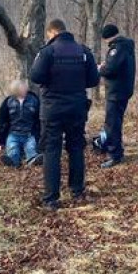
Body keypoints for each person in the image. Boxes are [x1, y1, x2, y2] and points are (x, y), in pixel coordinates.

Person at [30, 19, 100, 211]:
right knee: (76, 147)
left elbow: (35, 76)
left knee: (52, 150)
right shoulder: (83, 51)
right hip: (77, 108)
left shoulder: (47, 52)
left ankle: (51, 198)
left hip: (52, 109)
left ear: (51, 33)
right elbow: (94, 79)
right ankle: (77, 190)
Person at [94, 24, 136, 168]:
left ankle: (115, 155)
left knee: (112, 124)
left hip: (116, 92)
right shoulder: (126, 46)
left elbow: (111, 69)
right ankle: (116, 151)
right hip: (123, 90)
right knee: (115, 122)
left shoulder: (117, 48)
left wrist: (100, 69)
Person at [0, 79, 43, 168]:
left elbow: (40, 119)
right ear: (16, 90)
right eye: (22, 89)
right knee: (12, 148)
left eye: (25, 88)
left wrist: (41, 136)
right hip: (13, 134)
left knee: (31, 148)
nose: (24, 90)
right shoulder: (8, 102)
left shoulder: (34, 100)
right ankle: (13, 161)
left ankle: (33, 160)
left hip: (29, 134)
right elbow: (1, 121)